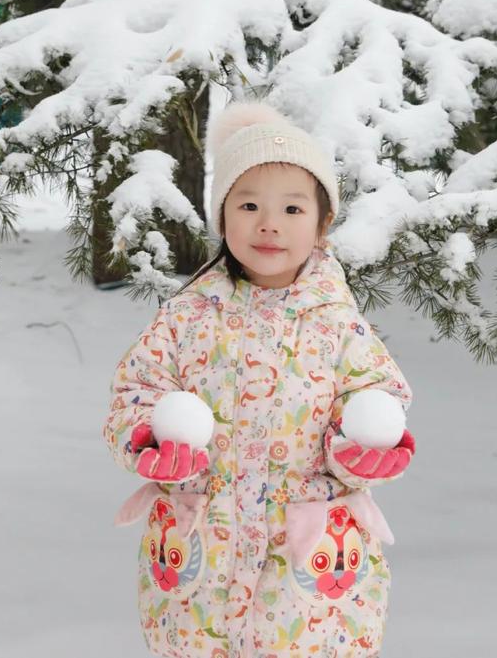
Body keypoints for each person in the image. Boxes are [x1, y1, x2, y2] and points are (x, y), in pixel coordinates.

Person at [103, 101, 415, 658]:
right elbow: (137, 391)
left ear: (321, 226)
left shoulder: (338, 323)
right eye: (248, 205)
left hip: (306, 563)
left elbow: (377, 401)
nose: (269, 224)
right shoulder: (187, 316)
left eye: (292, 209)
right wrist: (150, 440)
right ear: (224, 219)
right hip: (204, 547)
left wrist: (361, 449)